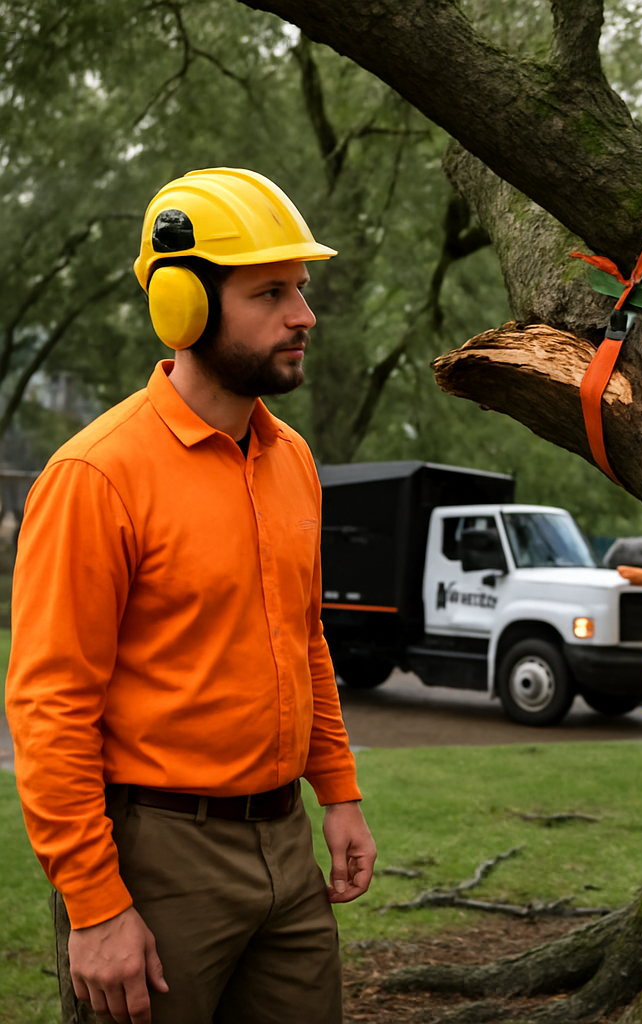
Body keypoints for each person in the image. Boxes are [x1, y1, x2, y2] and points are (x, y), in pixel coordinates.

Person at [5, 167, 376, 1024]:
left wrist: (340, 793)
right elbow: (50, 708)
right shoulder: (95, 476)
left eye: (303, 290)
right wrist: (96, 907)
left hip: (287, 847)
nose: (304, 316)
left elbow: (303, 639)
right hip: (156, 856)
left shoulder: (295, 462)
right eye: (271, 292)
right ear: (185, 308)